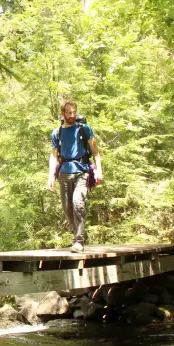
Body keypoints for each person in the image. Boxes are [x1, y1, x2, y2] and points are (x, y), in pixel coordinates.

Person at [48, 101, 103, 253]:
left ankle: (78, 241)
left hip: (82, 171)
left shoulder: (84, 129)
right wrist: (51, 176)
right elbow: (53, 156)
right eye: (69, 113)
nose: (72, 115)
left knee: (78, 202)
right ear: (63, 114)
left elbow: (96, 152)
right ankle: (77, 231)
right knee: (67, 209)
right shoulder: (57, 132)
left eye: (74, 112)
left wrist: (99, 171)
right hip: (64, 173)